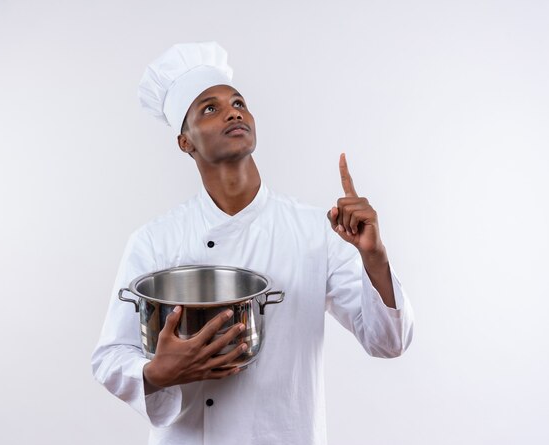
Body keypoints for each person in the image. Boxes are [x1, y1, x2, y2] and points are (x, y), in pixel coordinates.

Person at [91, 41, 414, 445]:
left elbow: (388, 342)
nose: (232, 111)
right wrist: (156, 373)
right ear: (185, 142)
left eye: (238, 102)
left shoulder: (316, 230)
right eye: (209, 108)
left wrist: (374, 258)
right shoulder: (156, 240)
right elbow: (110, 357)